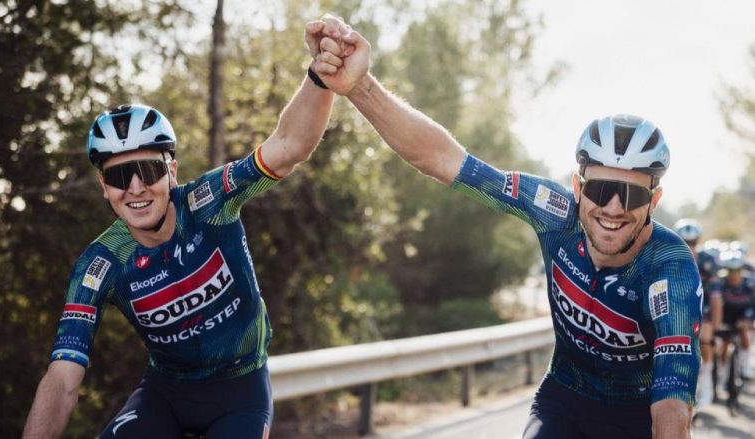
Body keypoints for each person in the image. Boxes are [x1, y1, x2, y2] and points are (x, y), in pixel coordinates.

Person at [311, 18, 701, 439]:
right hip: (565, 402)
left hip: (636, 417)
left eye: (632, 195)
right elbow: (443, 159)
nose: (613, 208)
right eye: (601, 189)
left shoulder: (670, 266)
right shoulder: (554, 212)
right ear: (577, 188)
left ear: (654, 202)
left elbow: (673, 402)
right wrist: (360, 86)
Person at [22, 16, 349, 439]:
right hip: (166, 395)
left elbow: (288, 147)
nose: (135, 188)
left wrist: (319, 76)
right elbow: (63, 379)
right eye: (119, 177)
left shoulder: (210, 202)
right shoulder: (101, 264)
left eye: (148, 171)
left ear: (171, 172)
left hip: (241, 391)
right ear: (104, 187)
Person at [673, 219, 721, 408]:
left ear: (698, 241)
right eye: (685, 241)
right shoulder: (669, 255)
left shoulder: (708, 260)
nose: (689, 246)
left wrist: (716, 325)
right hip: (677, 306)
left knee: (705, 342)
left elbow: (716, 296)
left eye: (692, 242)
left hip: (703, 306)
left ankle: (706, 379)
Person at [715, 250, 755, 382]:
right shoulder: (721, 283)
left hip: (744, 314)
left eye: (737, 270)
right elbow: (715, 303)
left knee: (744, 332)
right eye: (730, 270)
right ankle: (721, 370)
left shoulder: (750, 283)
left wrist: (749, 320)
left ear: (742, 269)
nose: (734, 274)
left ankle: (745, 364)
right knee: (723, 344)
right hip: (725, 316)